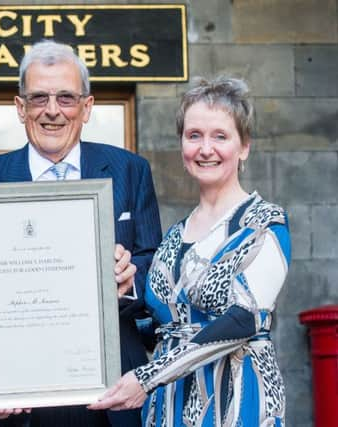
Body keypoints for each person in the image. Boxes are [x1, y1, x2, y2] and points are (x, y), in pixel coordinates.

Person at [0, 40, 162, 427]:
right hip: (11, 396)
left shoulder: (129, 170)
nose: (52, 111)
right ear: (20, 107)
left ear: (87, 107)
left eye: (66, 98)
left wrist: (131, 277)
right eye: (38, 98)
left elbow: (154, 260)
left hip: (108, 392)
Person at [89, 76, 291, 426]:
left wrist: (148, 377)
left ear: (244, 147)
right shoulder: (174, 235)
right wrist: (116, 295)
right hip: (170, 407)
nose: (205, 148)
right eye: (194, 135)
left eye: (220, 136)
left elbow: (244, 319)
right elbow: (157, 328)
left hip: (236, 402)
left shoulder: (265, 221)